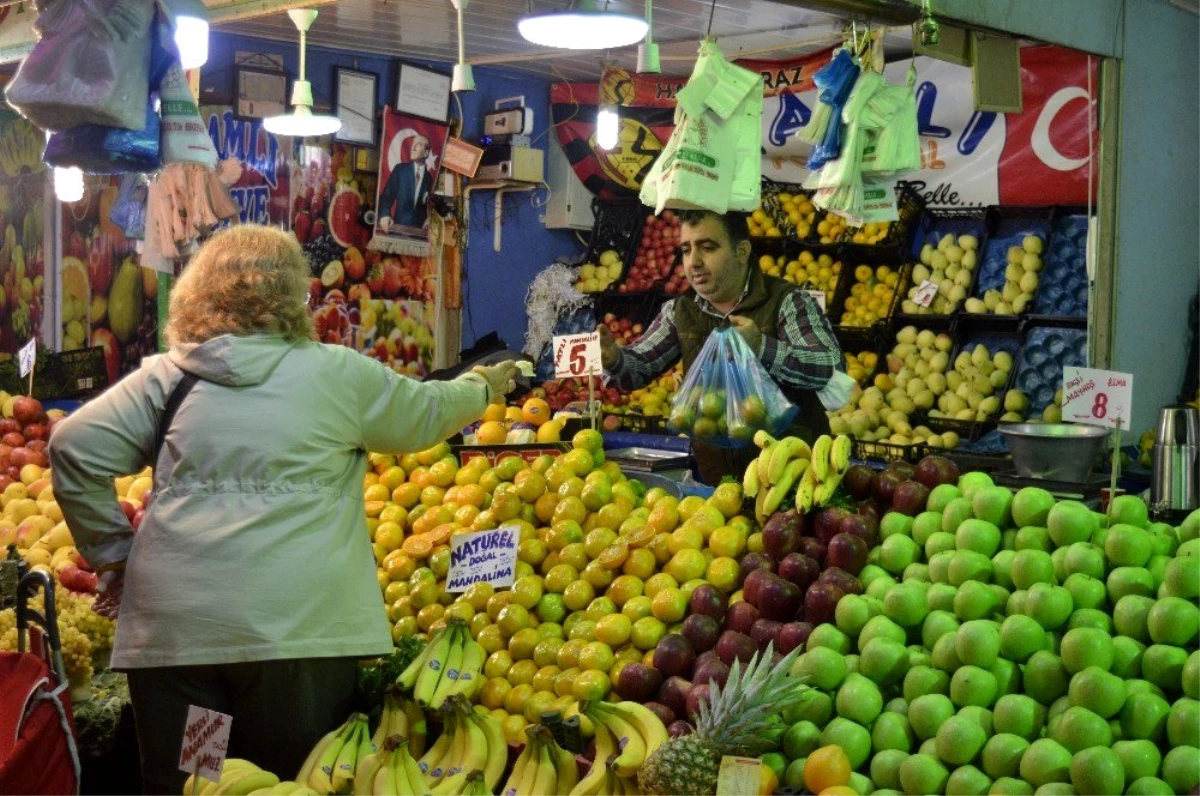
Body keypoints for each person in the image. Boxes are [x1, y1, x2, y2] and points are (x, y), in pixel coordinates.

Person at [48, 224, 518, 794]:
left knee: (202, 779)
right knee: (290, 781)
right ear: (295, 296)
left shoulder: (167, 378)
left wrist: (115, 557)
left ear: (198, 293)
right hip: (297, 643)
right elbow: (425, 412)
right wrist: (481, 389)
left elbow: (72, 446)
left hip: (185, 643)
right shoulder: (335, 373)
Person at [598, 208, 844, 484]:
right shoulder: (680, 311)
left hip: (794, 479)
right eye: (686, 250)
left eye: (707, 247)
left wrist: (762, 346)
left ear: (742, 251)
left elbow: (829, 366)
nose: (694, 262)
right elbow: (639, 366)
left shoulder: (788, 302)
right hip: (718, 483)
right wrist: (614, 359)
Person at [377, 133, 434, 230]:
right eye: (413, 144)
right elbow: (386, 196)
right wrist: (384, 215)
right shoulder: (400, 170)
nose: (413, 147)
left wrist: (430, 219)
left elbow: (431, 207)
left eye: (419, 144)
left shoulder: (430, 179)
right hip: (398, 229)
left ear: (426, 153)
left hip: (419, 234)